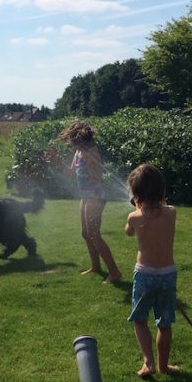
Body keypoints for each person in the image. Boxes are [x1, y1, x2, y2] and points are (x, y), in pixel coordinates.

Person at [125, 163, 179, 377]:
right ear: (162, 190)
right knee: (164, 323)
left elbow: (129, 232)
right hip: (168, 274)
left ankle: (149, 363)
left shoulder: (134, 217)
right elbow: (163, 208)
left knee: (140, 319)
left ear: (136, 193)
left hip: (145, 274)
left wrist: (137, 209)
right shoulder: (172, 213)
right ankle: (164, 365)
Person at [53, 121, 122, 284]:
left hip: (95, 197)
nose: (70, 143)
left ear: (80, 139)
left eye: (72, 140)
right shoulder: (78, 152)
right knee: (86, 234)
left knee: (94, 235)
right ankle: (95, 267)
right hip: (85, 197)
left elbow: (97, 177)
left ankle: (114, 272)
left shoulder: (91, 152)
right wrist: (57, 161)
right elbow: (70, 173)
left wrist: (91, 165)